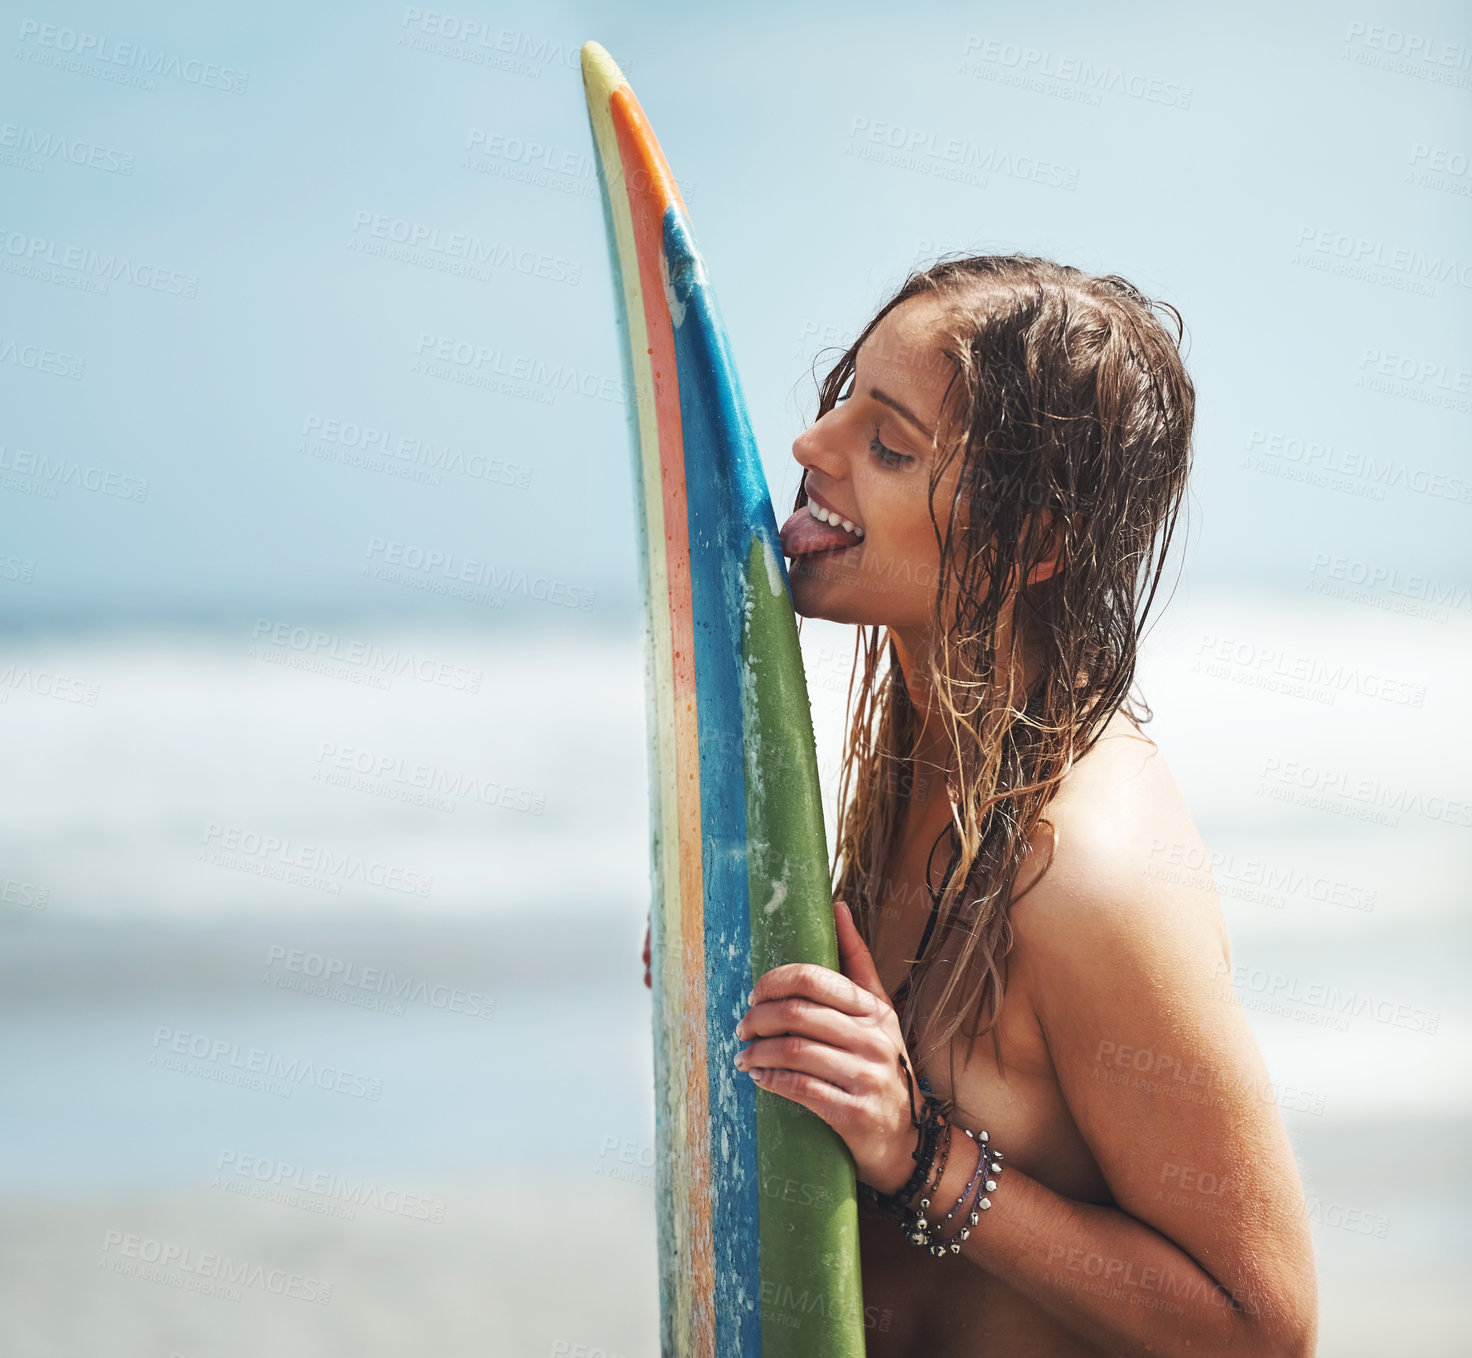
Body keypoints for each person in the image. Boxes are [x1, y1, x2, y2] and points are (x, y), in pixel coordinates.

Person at [646, 254, 1318, 1356]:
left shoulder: (1083, 874)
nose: (811, 449)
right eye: (839, 401)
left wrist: (919, 1155)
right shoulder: (927, 748)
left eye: (888, 445)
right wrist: (737, 958)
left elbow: (1262, 1325)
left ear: (1037, 545)